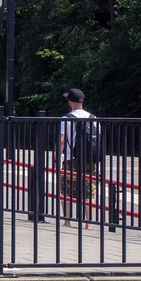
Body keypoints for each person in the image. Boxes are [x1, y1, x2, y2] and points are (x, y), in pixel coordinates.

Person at [58, 88, 98, 225]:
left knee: (66, 191)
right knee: (88, 193)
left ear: (70, 102)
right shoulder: (93, 118)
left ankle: (67, 221)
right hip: (89, 159)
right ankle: (88, 224)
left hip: (71, 159)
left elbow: (62, 140)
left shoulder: (66, 119)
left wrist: (57, 157)